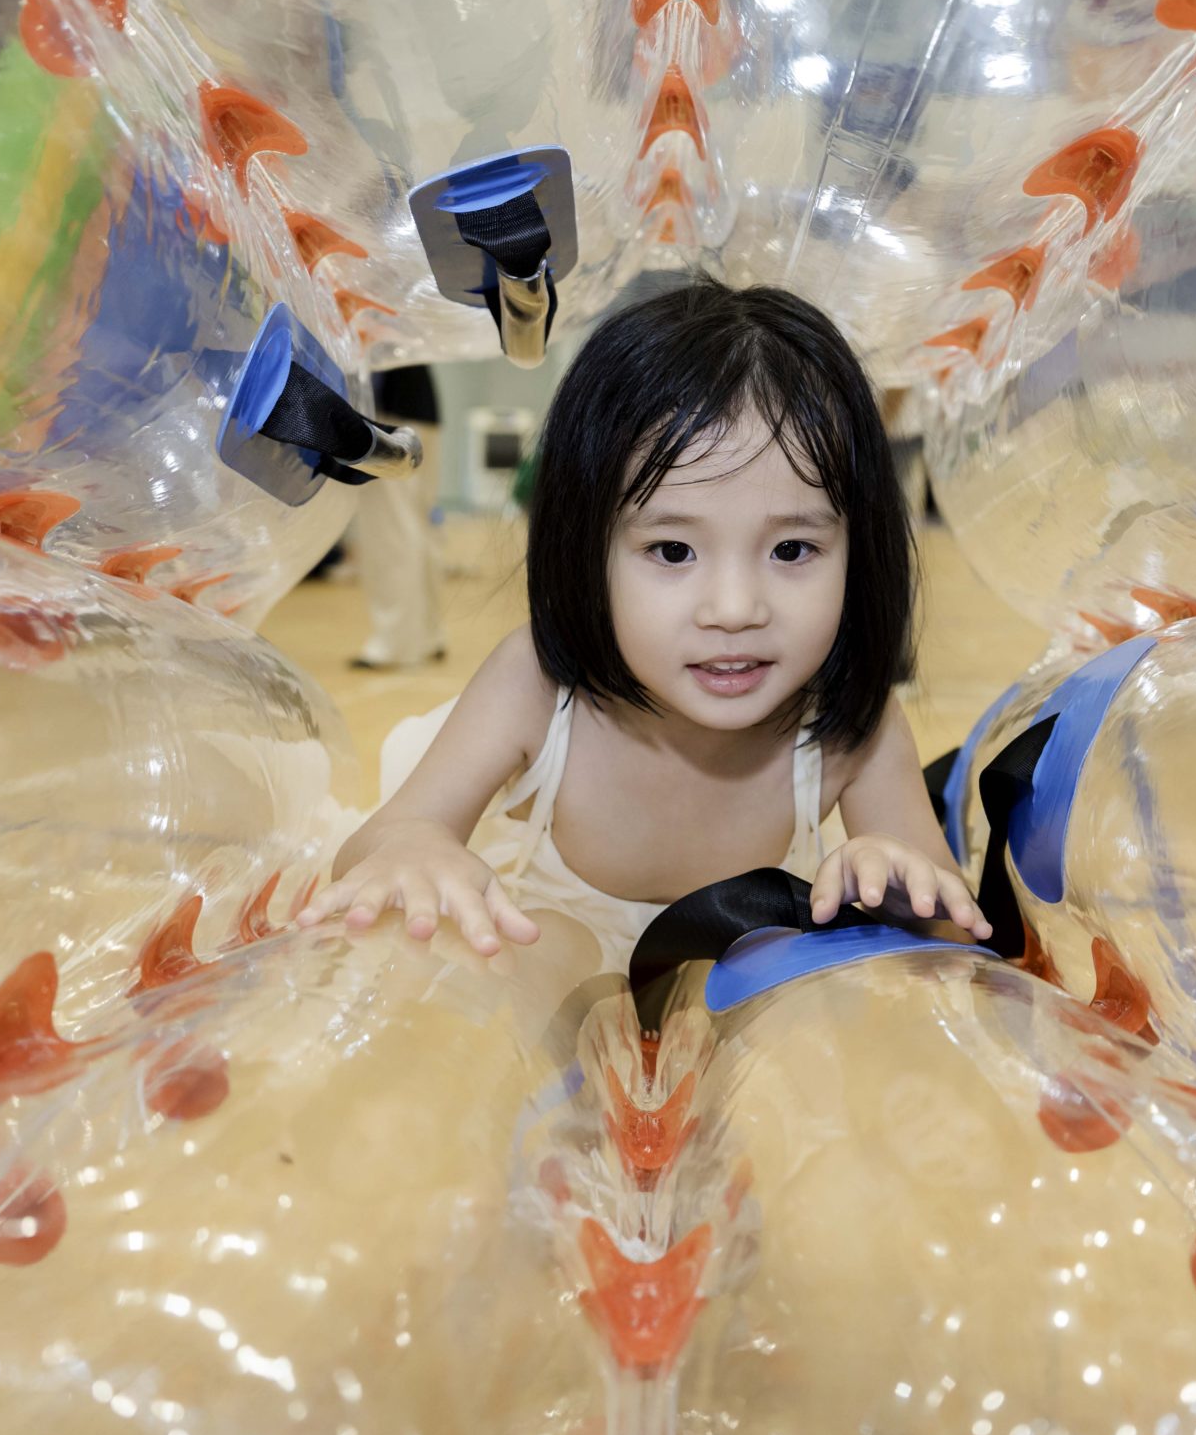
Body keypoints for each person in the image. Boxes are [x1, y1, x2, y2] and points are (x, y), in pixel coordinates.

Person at [294, 279, 989, 969]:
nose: (734, 609)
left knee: (783, 977)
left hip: (737, 1001)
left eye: (791, 550)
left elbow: (955, 928)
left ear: (859, 549)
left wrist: (903, 885)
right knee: (538, 955)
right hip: (535, 983)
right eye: (673, 551)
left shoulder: (851, 722)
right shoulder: (537, 684)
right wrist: (417, 847)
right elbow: (382, 839)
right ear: (584, 546)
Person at [346, 362, 447, 671]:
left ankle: (397, 642)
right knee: (417, 524)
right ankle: (428, 634)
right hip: (420, 404)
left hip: (389, 411)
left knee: (390, 528)